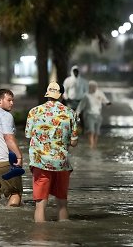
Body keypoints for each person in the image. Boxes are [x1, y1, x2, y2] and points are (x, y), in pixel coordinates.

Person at [25, 82, 78, 222]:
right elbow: (73, 142)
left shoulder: (34, 112)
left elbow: (28, 135)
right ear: (61, 95)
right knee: (62, 204)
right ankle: (63, 237)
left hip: (40, 162)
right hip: (62, 163)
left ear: (47, 93)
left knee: (40, 206)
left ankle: (40, 239)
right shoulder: (71, 113)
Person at [76, 80, 111, 149]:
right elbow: (81, 105)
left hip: (98, 114)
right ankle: (91, 145)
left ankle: (95, 144)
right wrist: (77, 113)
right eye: (92, 87)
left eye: (95, 87)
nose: (94, 88)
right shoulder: (86, 95)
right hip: (89, 115)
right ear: (89, 87)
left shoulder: (100, 93)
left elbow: (105, 100)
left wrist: (108, 103)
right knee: (91, 130)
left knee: (97, 132)